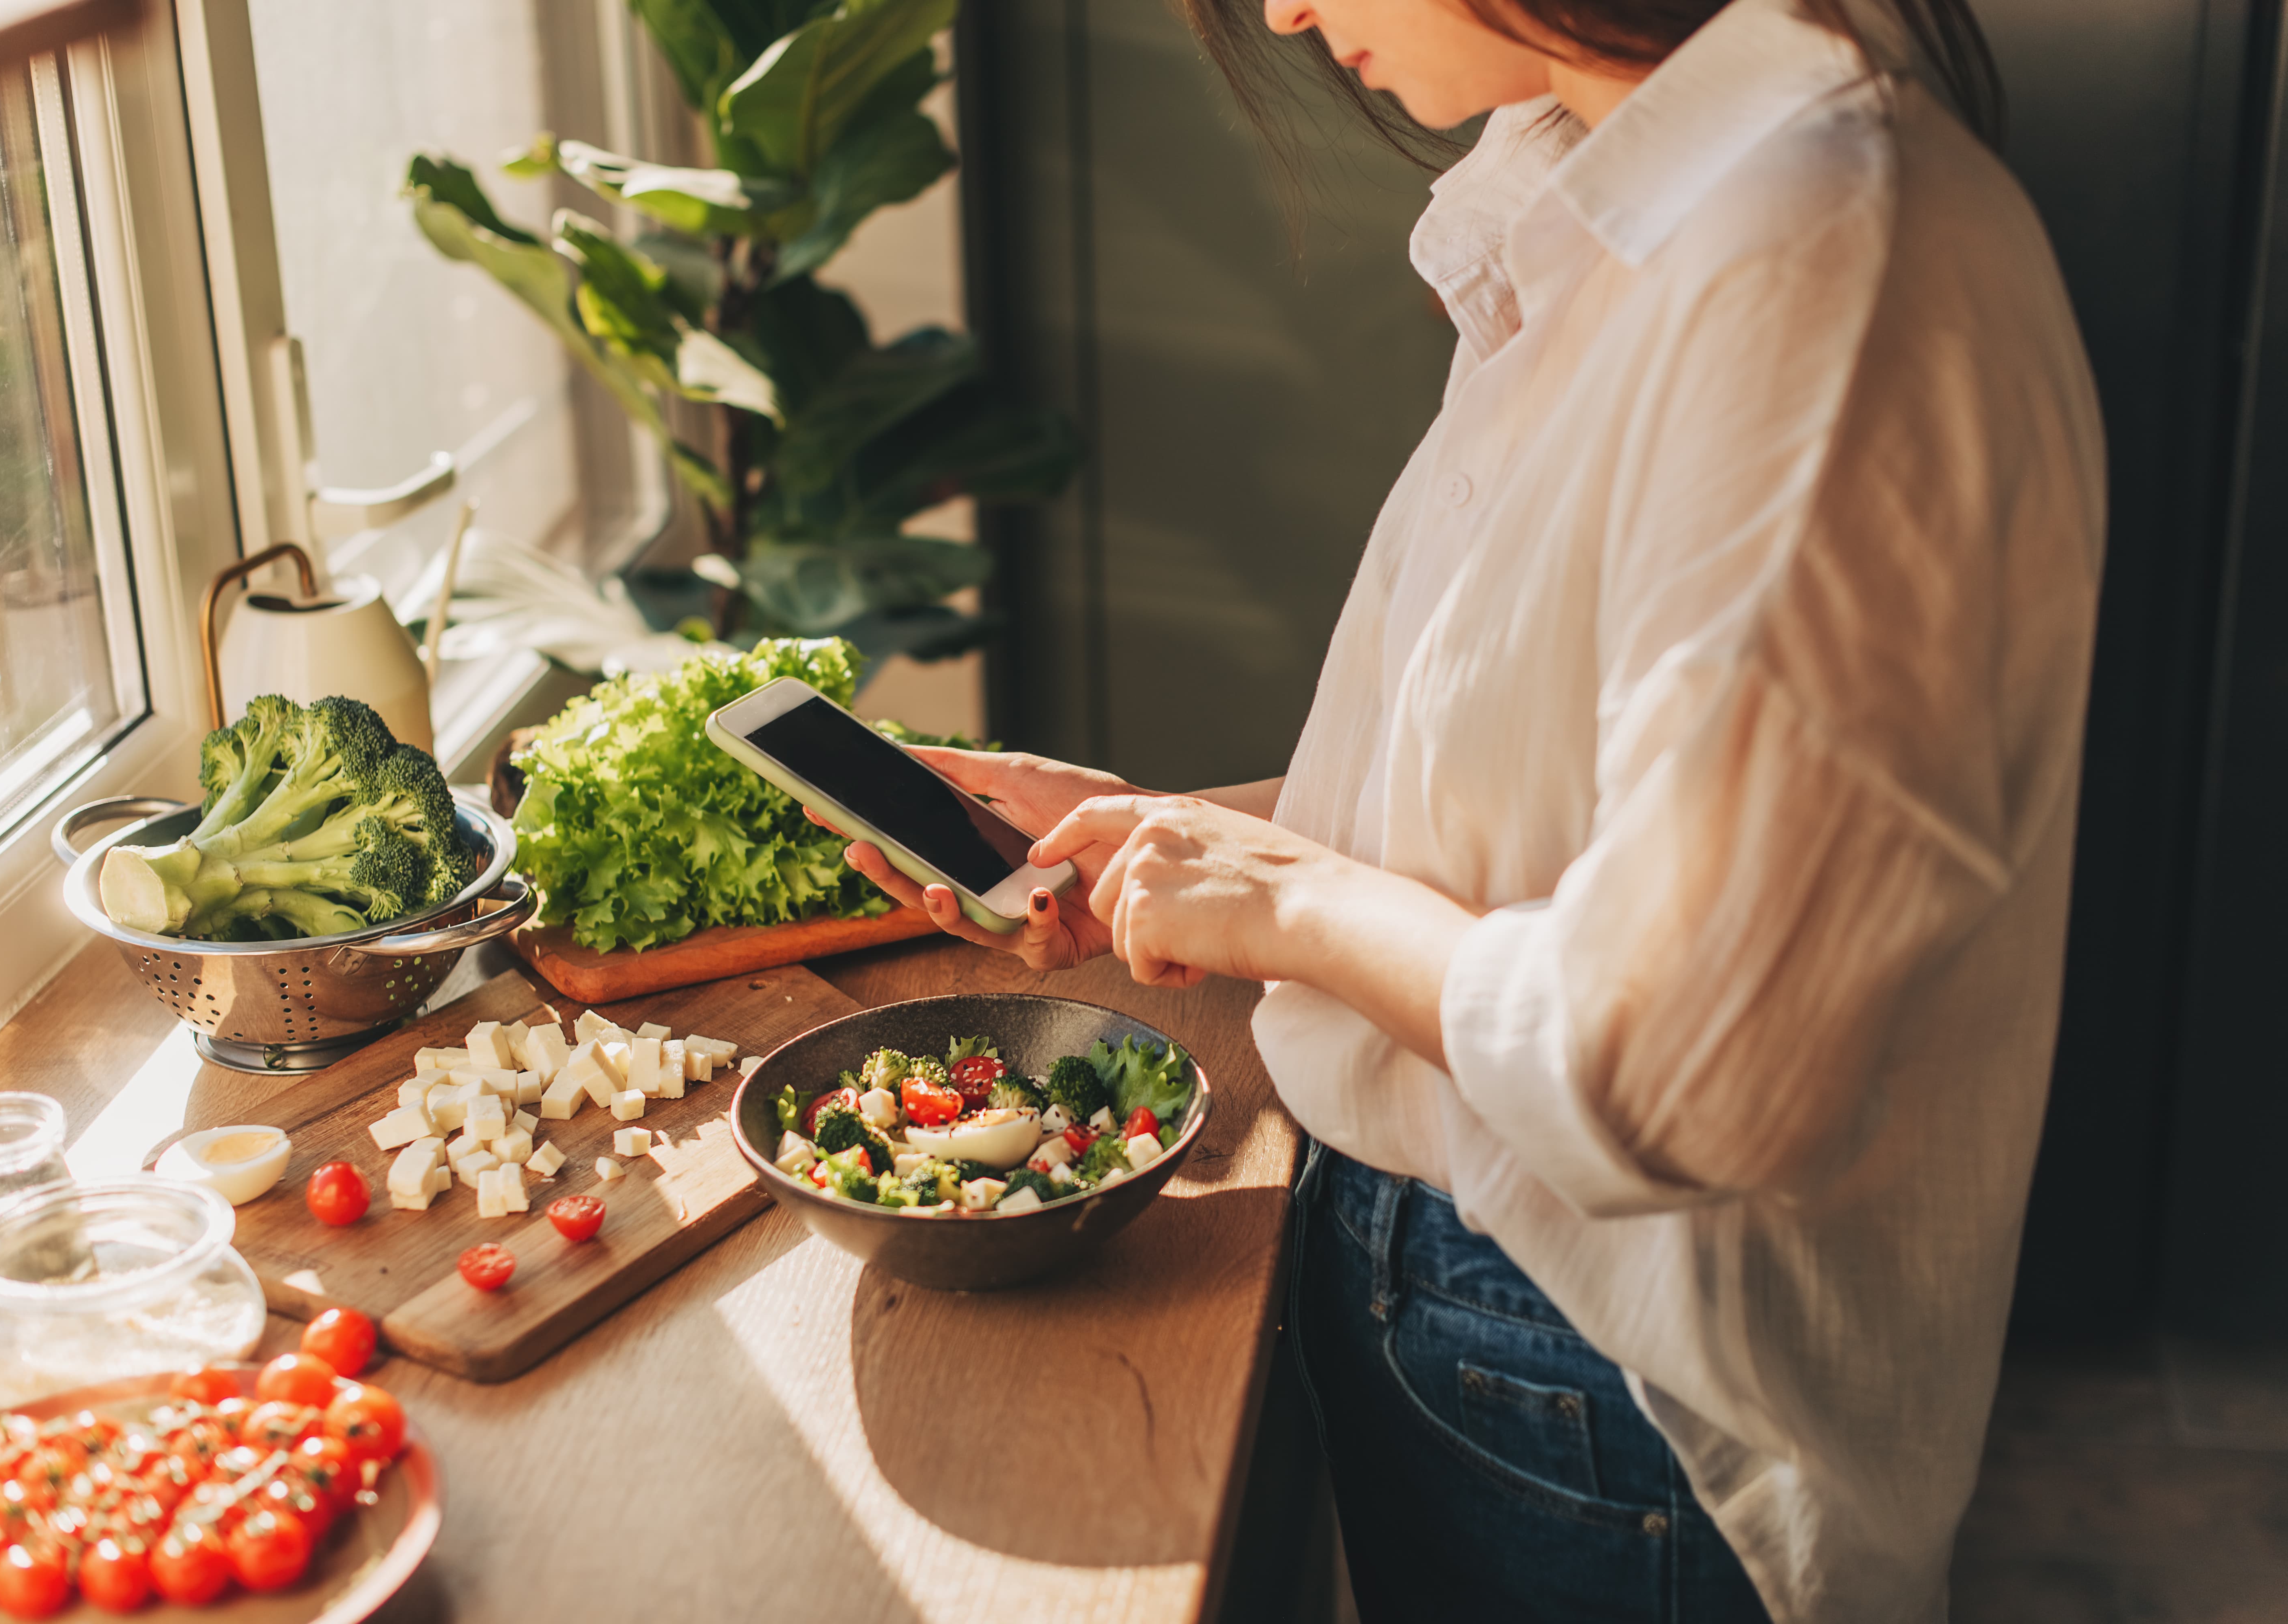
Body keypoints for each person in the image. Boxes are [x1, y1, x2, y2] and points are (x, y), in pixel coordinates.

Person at [834, 0, 2104, 1616]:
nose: (1283, 11)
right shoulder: (1624, 203)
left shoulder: (1813, 263)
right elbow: (1545, 796)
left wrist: (1279, 896)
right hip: (1490, 1309)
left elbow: (1677, 1064)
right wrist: (1168, 828)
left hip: (1608, 1384)